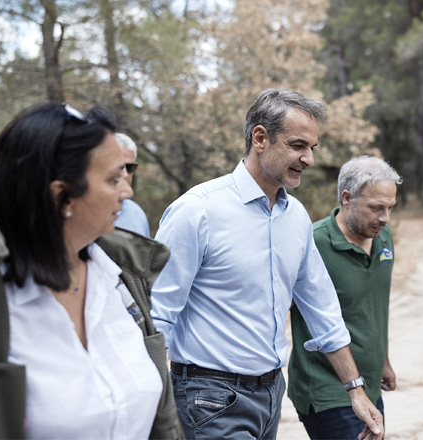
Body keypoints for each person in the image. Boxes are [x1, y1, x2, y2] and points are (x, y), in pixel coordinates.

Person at [151, 88, 384, 440]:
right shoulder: (197, 210)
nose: (309, 159)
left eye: (312, 148)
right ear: (260, 138)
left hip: (272, 392)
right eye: (297, 145)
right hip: (208, 397)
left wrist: (355, 388)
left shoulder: (297, 217)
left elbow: (321, 308)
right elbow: (158, 313)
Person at [0, 102, 183, 439]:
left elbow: (161, 417)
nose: (128, 191)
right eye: (113, 178)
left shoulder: (123, 280)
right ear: (62, 196)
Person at [288, 155, 402, 439]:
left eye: (390, 208)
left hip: (369, 383)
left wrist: (383, 360)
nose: (385, 218)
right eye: (376, 208)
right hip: (327, 389)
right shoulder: (312, 243)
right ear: (347, 198)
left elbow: (376, 307)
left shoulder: (382, 237)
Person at [114, 132, 151, 236]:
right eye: (120, 167)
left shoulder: (137, 214)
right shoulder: (87, 209)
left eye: (130, 167)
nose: (125, 174)